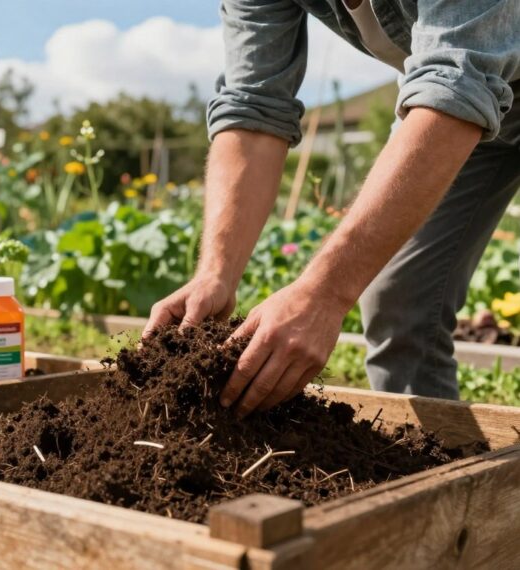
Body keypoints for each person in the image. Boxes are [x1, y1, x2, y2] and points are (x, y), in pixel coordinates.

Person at [144, 0, 520, 417]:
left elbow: (457, 83)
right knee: (401, 299)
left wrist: (324, 293)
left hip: (460, 94)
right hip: (465, 95)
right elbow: (253, 104)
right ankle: (438, 457)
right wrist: (216, 273)